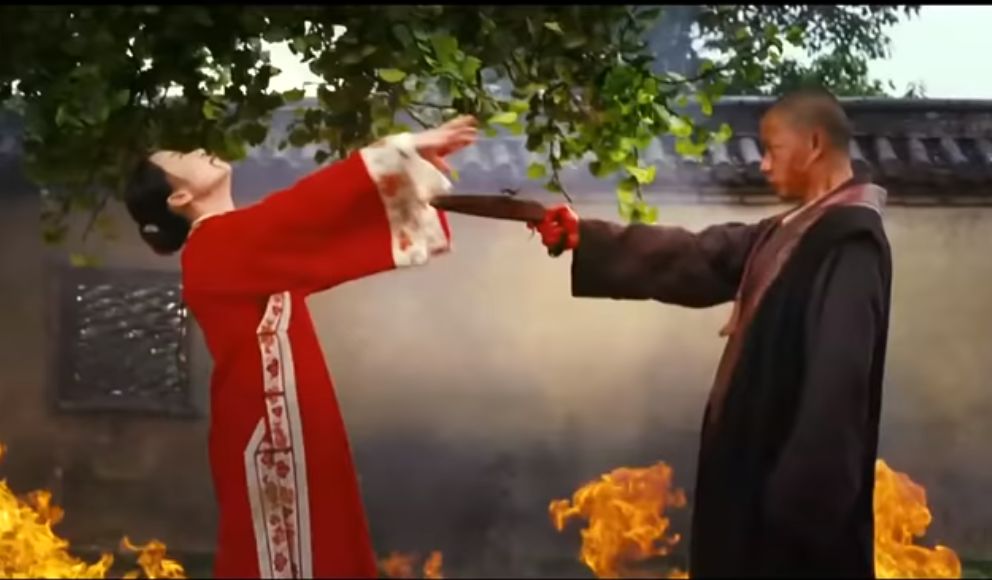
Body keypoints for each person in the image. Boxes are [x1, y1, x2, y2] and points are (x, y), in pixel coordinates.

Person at [531, 88, 891, 577]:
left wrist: (797, 511)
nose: (763, 164)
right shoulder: (791, 230)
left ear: (813, 144)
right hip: (755, 486)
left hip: (788, 517)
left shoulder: (850, 240)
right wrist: (587, 237)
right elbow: (702, 254)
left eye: (772, 149)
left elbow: (838, 387)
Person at [123, 116, 479, 579]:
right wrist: (400, 154)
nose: (196, 151)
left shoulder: (243, 242)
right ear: (179, 198)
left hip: (288, 420)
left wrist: (408, 171)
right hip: (270, 429)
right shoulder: (212, 247)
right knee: (289, 554)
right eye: (181, 157)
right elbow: (305, 211)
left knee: (319, 540)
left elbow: (310, 229)